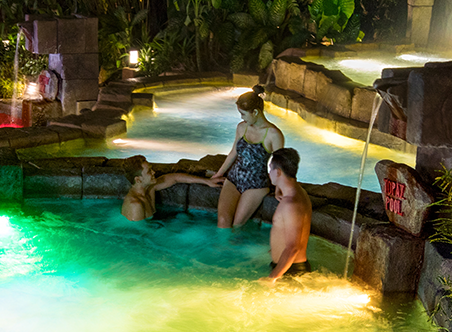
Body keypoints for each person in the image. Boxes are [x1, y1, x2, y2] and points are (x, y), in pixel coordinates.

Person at [208, 86, 284, 229]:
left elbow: (279, 164)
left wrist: (279, 187)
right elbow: (233, 153)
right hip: (234, 179)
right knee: (223, 222)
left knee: (237, 226)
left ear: (255, 112)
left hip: (256, 184)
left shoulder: (274, 134)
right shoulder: (242, 127)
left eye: (243, 114)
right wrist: (218, 174)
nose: (241, 118)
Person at [262, 147, 312, 283]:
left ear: (277, 172)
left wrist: (272, 278)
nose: (269, 173)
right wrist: (278, 187)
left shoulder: (291, 204)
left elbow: (293, 247)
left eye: (270, 169)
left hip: (290, 272)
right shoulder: (297, 192)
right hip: (286, 268)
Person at [119, 157, 220, 222]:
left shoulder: (150, 188)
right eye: (149, 171)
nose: (154, 172)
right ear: (138, 180)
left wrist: (207, 181)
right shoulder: (135, 206)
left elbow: (175, 177)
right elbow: (137, 238)